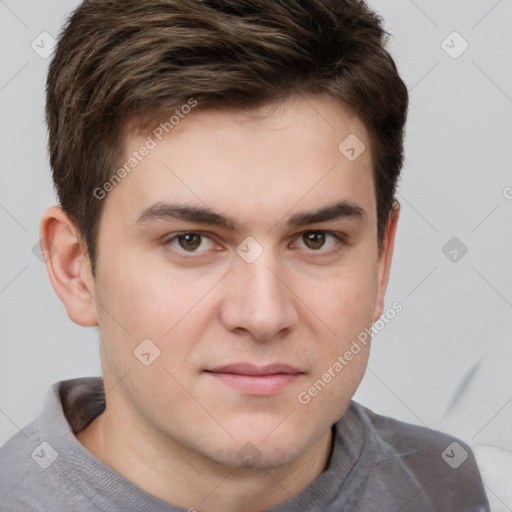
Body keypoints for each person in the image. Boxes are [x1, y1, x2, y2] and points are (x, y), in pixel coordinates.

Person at [0, 0, 490, 511]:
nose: (263, 315)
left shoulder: (459, 488)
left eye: (317, 239)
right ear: (75, 268)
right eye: (190, 240)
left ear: (381, 260)